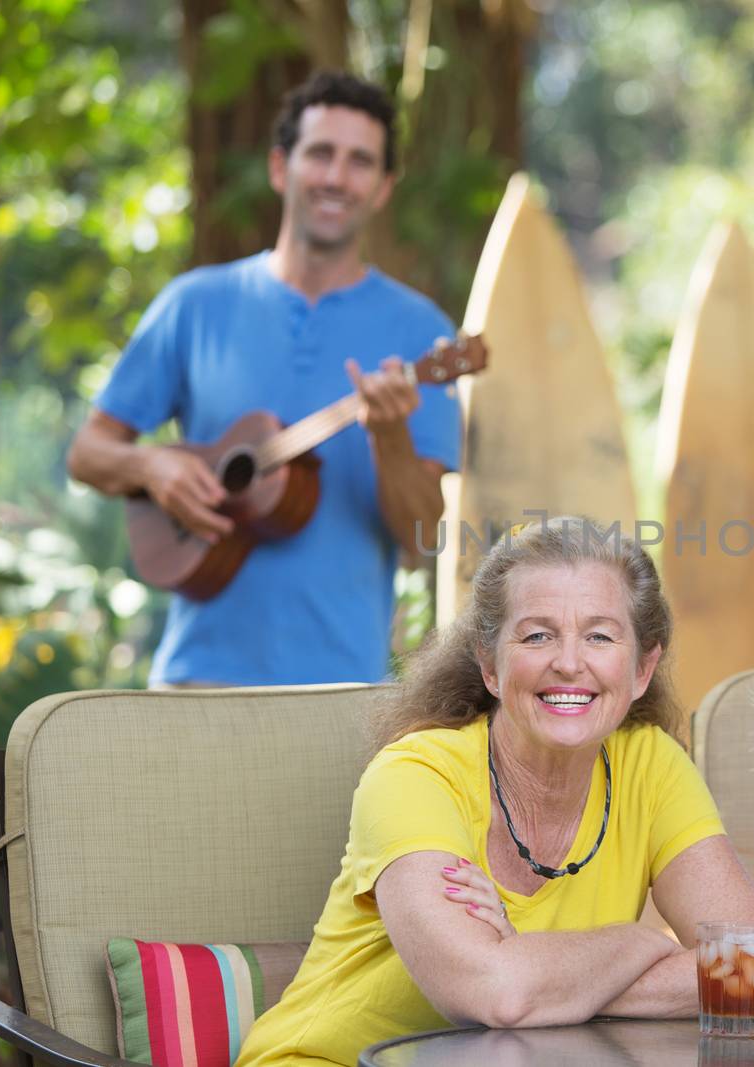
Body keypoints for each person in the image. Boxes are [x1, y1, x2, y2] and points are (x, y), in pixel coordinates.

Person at [236, 518, 754, 1064]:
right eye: (537, 635)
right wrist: (641, 943)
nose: (569, 663)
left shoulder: (652, 763)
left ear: (642, 668)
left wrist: (536, 973)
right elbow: (490, 992)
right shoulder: (415, 775)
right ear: (490, 665)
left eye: (599, 635)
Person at [65, 71, 459, 686]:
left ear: (383, 189)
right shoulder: (194, 304)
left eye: (360, 162)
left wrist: (391, 438)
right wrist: (153, 467)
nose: (336, 177)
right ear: (281, 167)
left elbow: (419, 538)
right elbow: (88, 453)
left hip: (341, 694)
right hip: (194, 680)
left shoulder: (421, 333)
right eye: (320, 153)